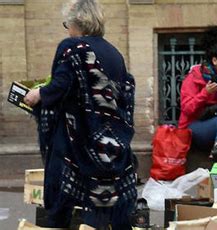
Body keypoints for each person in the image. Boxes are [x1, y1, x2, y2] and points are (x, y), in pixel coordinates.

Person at [24, 0, 137, 228]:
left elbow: (61, 85)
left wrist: (38, 95)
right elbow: (120, 97)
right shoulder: (115, 54)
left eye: (68, 24)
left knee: (60, 200)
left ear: (78, 22)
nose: (68, 29)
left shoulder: (72, 47)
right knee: (101, 203)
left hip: (77, 142)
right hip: (108, 146)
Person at [178, 26, 217, 166]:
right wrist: (205, 93)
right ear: (215, 61)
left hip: (216, 127)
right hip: (193, 129)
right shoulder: (195, 76)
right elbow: (187, 110)